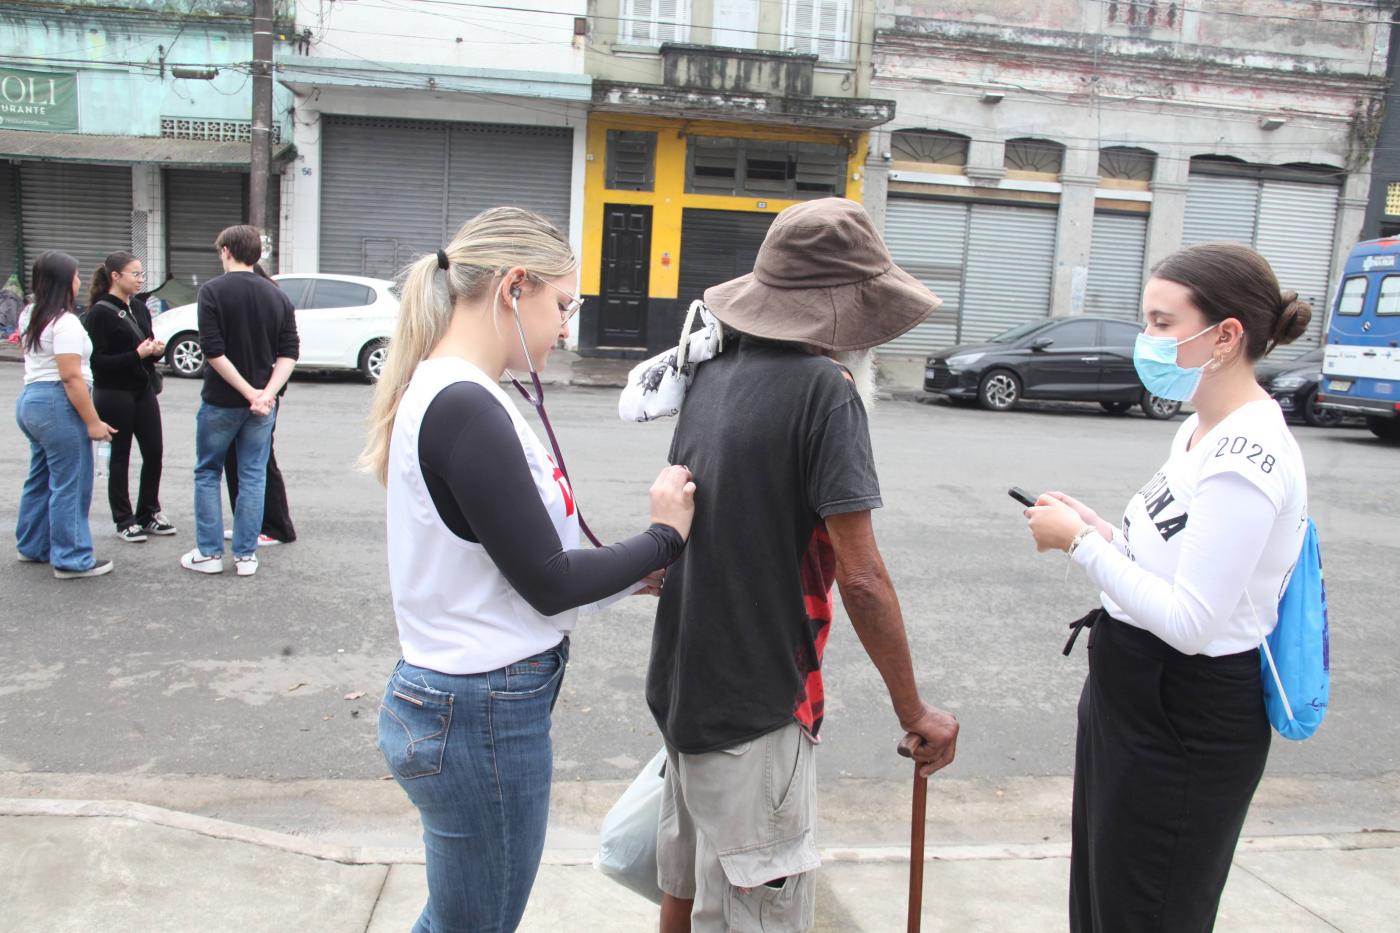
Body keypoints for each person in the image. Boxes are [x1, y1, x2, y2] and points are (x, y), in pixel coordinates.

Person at [359, 206, 696, 933]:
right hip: (479, 712)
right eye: (563, 305)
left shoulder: (462, 392)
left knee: (459, 919)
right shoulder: (466, 406)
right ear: (515, 286)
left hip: (460, 702)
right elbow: (546, 578)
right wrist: (664, 538)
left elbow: (504, 563)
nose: (566, 327)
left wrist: (627, 574)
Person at [647, 198, 960, 933]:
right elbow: (861, 576)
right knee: (755, 913)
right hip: (758, 708)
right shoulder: (826, 395)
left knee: (685, 891)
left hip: (685, 690)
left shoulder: (713, 375)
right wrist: (914, 710)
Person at [1023, 242, 1312, 932]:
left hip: (1185, 710)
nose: (1143, 341)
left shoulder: (1247, 457)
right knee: (1103, 896)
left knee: (1147, 908)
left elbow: (1192, 621)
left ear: (1226, 335)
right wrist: (1104, 531)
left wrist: (1081, 543)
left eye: (1160, 323)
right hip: (1130, 690)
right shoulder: (1197, 430)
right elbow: (1170, 562)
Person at [180, 225, 298, 578]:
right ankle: (246, 556)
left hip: (221, 400)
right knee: (253, 476)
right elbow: (289, 352)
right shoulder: (277, 295)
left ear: (227, 251)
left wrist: (248, 392)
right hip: (263, 405)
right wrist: (266, 394)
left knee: (207, 473)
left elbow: (213, 351)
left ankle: (210, 553)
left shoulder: (212, 291)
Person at [14, 251, 117, 578]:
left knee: (41, 476)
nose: (79, 281)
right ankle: (72, 558)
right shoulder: (66, 321)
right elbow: (71, 377)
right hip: (57, 404)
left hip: (31, 400)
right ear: (63, 282)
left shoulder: (31, 313)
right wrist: (93, 422)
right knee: (71, 483)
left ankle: (32, 546)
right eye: (75, 276)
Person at [83, 251, 174, 542]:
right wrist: (137, 354)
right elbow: (98, 363)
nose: (140, 279)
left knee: (154, 451)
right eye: (135, 274)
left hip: (142, 388)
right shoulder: (99, 313)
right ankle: (124, 519)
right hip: (114, 392)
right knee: (120, 456)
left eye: (141, 274)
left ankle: (148, 512)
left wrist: (154, 350)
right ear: (115, 277)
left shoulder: (139, 306)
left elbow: (144, 341)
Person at [223, 262, 295, 547]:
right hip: (263, 390)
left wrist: (263, 393)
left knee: (258, 460)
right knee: (247, 459)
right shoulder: (273, 297)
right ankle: (250, 524)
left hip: (257, 391)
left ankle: (276, 527)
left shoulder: (267, 300)